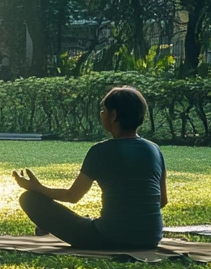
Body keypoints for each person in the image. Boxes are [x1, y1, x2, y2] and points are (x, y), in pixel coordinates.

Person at [11, 86, 168, 250]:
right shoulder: (154, 150)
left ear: (113, 116)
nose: (102, 114)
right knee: (89, 221)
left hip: (108, 238)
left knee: (29, 199)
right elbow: (162, 201)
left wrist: (37, 188)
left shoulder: (100, 151)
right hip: (151, 238)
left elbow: (72, 196)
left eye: (104, 110)